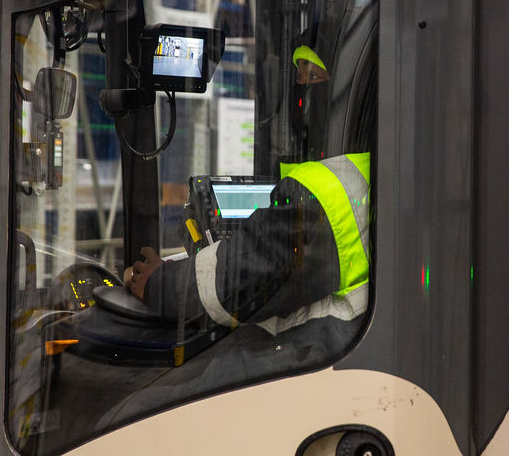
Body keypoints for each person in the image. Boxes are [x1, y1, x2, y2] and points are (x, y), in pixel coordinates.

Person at [123, 40, 370, 338]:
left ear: (348, 95)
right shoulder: (373, 167)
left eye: (313, 78)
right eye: (299, 78)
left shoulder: (329, 187)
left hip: (321, 347)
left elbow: (241, 282)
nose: (301, 88)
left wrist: (159, 284)